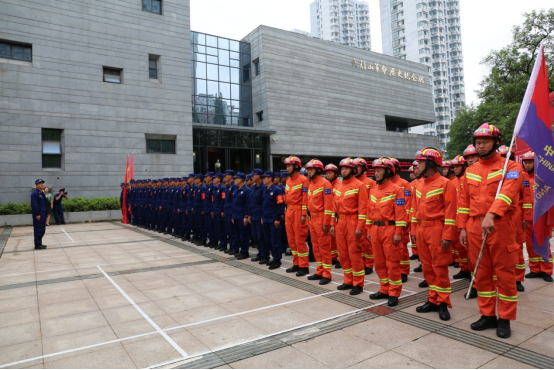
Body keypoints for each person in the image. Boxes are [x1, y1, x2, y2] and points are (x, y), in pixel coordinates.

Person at [458, 123, 523, 339]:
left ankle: (505, 318)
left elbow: (508, 194)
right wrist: (462, 228)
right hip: (475, 227)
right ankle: (487, 315)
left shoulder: (511, 167)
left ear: (496, 142)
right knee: (481, 274)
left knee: (504, 274)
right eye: (478, 142)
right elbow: (464, 202)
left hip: (501, 225)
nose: (481, 145)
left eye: (485, 141)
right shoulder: (470, 171)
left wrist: (492, 214)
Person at [412, 148, 457, 321]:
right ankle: (433, 299)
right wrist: (414, 231)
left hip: (437, 230)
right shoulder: (419, 184)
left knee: (440, 268)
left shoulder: (446, 184)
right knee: (427, 267)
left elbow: (451, 212)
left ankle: (443, 302)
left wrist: (447, 235)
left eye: (421, 162)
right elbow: (415, 210)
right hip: (422, 230)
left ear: (431, 163)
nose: (418, 165)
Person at [367, 158, 408, 307]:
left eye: (379, 170)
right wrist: (368, 229)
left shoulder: (397, 190)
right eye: (375, 170)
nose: (375, 173)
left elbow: (401, 213)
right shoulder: (373, 190)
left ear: (388, 171)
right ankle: (384, 289)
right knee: (379, 262)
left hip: (390, 230)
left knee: (392, 263)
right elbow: (368, 212)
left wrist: (398, 232)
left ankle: (394, 292)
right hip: (375, 229)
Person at [331, 158, 368, 296]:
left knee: (354, 253)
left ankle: (358, 283)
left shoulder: (360, 185)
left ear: (353, 170)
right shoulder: (339, 186)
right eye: (342, 168)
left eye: (346, 168)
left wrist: (360, 227)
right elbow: (334, 208)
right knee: (343, 254)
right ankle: (348, 280)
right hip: (340, 222)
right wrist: (333, 224)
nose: (343, 170)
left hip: (353, 223)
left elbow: (363, 209)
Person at [522, 151, 553, 282]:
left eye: (530, 162)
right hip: (528, 217)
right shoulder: (523, 179)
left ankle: (546, 270)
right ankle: (534, 268)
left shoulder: (542, 178)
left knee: (543, 242)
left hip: (541, 216)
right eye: (525, 162)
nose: (527, 165)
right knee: (530, 244)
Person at [305, 159, 334, 285]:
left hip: (322, 219)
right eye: (308, 169)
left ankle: (327, 274)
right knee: (316, 247)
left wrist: (326, 223)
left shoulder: (325, 184)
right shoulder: (310, 183)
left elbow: (329, 206)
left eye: (311, 169)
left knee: (324, 248)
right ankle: (319, 270)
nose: (309, 171)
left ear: (318, 170)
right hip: (312, 219)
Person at [284, 156, 310, 277]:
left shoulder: (303, 180)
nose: (287, 168)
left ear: (296, 166)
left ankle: (304, 266)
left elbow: (305, 198)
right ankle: (296, 264)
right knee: (291, 240)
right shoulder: (288, 180)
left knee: (300, 240)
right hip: (289, 211)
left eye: (289, 166)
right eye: (287, 166)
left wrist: (304, 214)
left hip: (299, 212)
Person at [389, 158, 413, 283]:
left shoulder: (404, 184)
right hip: (388, 224)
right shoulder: (383, 184)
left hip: (401, 222)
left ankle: (404, 271)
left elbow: (407, 205)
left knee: (402, 248)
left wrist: (405, 222)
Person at [450, 155, 471, 281]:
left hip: (467, 220)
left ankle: (472, 270)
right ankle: (464, 269)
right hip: (455, 220)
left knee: (469, 248)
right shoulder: (451, 182)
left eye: (458, 166)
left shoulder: (467, 179)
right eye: (454, 166)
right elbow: (448, 202)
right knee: (460, 247)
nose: (456, 169)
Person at [354, 158, 376, 276]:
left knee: (367, 242)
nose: (356, 170)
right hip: (354, 217)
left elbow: (372, 200)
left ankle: (369, 264)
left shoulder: (370, 182)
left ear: (363, 169)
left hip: (366, 215)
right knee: (358, 242)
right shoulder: (353, 182)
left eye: (358, 167)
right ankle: (361, 262)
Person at [261, 171, 286, 270]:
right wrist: (263, 216)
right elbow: (264, 205)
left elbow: (280, 205)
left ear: (270, 179)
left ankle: (277, 260)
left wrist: (277, 218)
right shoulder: (265, 189)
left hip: (273, 219)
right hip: (266, 218)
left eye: (265, 178)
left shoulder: (277, 190)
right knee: (268, 241)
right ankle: (274, 257)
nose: (263, 179)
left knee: (275, 240)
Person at [325, 163, 341, 268]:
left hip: (337, 215)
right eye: (327, 173)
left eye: (330, 173)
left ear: (335, 174)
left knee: (338, 239)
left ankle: (339, 258)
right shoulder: (327, 185)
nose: (328, 175)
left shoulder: (339, 185)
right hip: (328, 214)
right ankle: (333, 257)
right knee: (331, 238)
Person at [232, 173, 252, 259]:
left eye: (236, 179)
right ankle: (241, 250)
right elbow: (234, 203)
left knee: (244, 235)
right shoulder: (236, 189)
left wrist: (246, 216)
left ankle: (245, 252)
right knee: (238, 235)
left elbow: (247, 204)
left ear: (240, 180)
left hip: (242, 216)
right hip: (236, 215)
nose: (234, 180)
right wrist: (233, 215)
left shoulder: (246, 190)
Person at [31, 179, 48, 250]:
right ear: (36, 185)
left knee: (42, 229)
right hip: (39, 214)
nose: (42, 184)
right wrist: (37, 214)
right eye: (40, 183)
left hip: (43, 213)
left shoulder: (41, 193)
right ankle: (37, 244)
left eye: (43, 183)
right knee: (38, 229)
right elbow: (34, 205)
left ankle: (39, 243)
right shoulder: (35, 194)